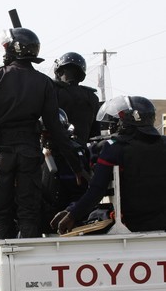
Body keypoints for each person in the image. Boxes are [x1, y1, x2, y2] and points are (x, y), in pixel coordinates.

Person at [0, 27, 82, 239]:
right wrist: (77, 167)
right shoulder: (43, 82)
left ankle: (1, 259)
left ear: (13, 50)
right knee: (28, 212)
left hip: (2, 152)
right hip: (29, 153)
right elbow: (55, 129)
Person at [51, 96, 166, 234]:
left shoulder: (114, 148)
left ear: (124, 123)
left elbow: (96, 191)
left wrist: (72, 214)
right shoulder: (163, 144)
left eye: (114, 122)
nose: (111, 127)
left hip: (132, 226)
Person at [53, 52, 101, 144]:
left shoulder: (53, 91)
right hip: (82, 151)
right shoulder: (92, 97)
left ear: (60, 71)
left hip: (55, 149)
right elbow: (95, 132)